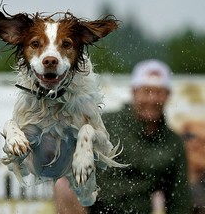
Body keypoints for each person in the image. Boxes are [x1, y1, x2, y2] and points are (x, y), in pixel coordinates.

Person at [54, 59, 191, 214]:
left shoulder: (173, 143)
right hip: (94, 208)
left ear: (168, 96)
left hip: (138, 211)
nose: (152, 99)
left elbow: (179, 198)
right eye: (146, 91)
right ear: (133, 92)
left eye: (159, 92)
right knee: (64, 184)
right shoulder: (104, 124)